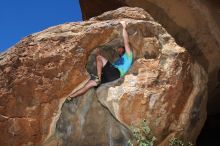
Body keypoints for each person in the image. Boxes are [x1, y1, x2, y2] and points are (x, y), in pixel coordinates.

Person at [67, 21, 133, 100]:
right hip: (109, 77)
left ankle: (98, 77)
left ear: (124, 49)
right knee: (89, 84)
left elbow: (126, 42)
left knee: (99, 57)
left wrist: (124, 27)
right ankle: (71, 97)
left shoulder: (129, 55)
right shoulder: (119, 60)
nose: (118, 49)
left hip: (116, 73)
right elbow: (107, 67)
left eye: (120, 48)